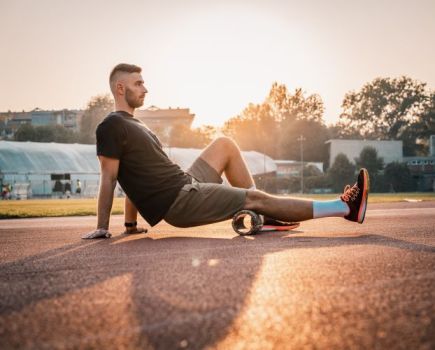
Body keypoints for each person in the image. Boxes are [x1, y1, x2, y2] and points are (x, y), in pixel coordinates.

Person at [82, 64, 369, 239]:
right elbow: (111, 178)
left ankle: (264, 215)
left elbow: (134, 178)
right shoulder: (110, 126)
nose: (145, 88)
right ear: (120, 88)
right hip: (178, 201)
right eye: (138, 83)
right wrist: (102, 227)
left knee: (225, 144)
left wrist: (131, 224)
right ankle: (344, 208)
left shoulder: (136, 125)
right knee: (256, 198)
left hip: (185, 183)